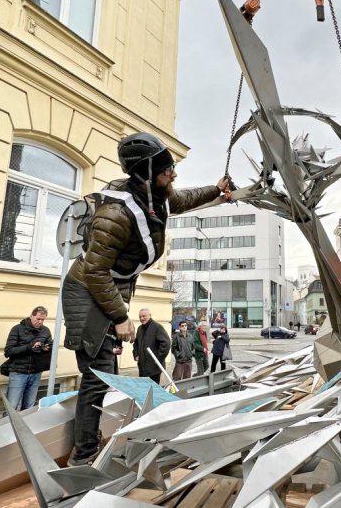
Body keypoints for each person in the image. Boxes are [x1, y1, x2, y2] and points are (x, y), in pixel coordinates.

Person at [61, 132, 230, 466]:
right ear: (146, 173)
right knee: (98, 377)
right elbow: (95, 272)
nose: (174, 175)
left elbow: (181, 199)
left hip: (106, 292)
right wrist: (120, 318)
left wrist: (216, 190)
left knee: (103, 372)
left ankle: (87, 448)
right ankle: (83, 459)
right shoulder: (116, 216)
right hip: (87, 293)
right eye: (168, 170)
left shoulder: (151, 195)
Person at [3, 306, 52, 411]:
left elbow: (49, 348)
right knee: (11, 408)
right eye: (38, 319)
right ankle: (7, 427)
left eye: (42, 320)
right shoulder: (17, 329)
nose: (40, 322)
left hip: (35, 373)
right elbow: (8, 351)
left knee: (29, 409)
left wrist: (46, 348)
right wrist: (30, 347)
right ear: (31, 316)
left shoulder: (45, 331)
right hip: (18, 373)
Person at [132, 308, 171, 383]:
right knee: (144, 388)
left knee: (153, 390)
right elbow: (136, 343)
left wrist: (157, 358)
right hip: (142, 367)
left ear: (150, 315)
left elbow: (166, 343)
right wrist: (136, 354)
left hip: (154, 368)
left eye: (144, 316)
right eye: (140, 317)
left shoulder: (157, 327)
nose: (142, 318)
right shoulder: (140, 328)